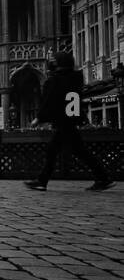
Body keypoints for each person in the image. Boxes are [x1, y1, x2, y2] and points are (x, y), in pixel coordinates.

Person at [26, 52, 114, 192]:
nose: (51, 63)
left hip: (64, 121)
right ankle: (103, 177)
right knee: (78, 151)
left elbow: (51, 99)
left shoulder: (56, 80)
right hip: (70, 119)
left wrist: (39, 118)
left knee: (54, 151)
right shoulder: (75, 78)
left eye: (54, 61)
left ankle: (42, 181)